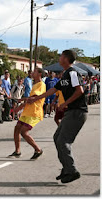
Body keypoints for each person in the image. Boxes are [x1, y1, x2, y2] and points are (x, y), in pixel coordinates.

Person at [30, 50, 88, 183]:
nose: (59, 58)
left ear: (66, 59)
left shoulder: (73, 73)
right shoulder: (65, 75)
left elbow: (80, 91)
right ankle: (66, 168)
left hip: (77, 111)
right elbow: (53, 89)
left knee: (63, 141)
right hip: (71, 112)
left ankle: (72, 170)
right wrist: (36, 98)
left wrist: (64, 104)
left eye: (61, 56)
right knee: (57, 138)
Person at [8, 68, 46, 160]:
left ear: (40, 74)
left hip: (34, 112)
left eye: (35, 72)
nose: (32, 73)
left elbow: (33, 99)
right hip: (28, 111)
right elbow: (30, 98)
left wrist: (20, 106)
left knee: (23, 132)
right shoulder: (35, 84)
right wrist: (23, 100)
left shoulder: (41, 84)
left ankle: (38, 150)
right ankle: (17, 151)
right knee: (17, 128)